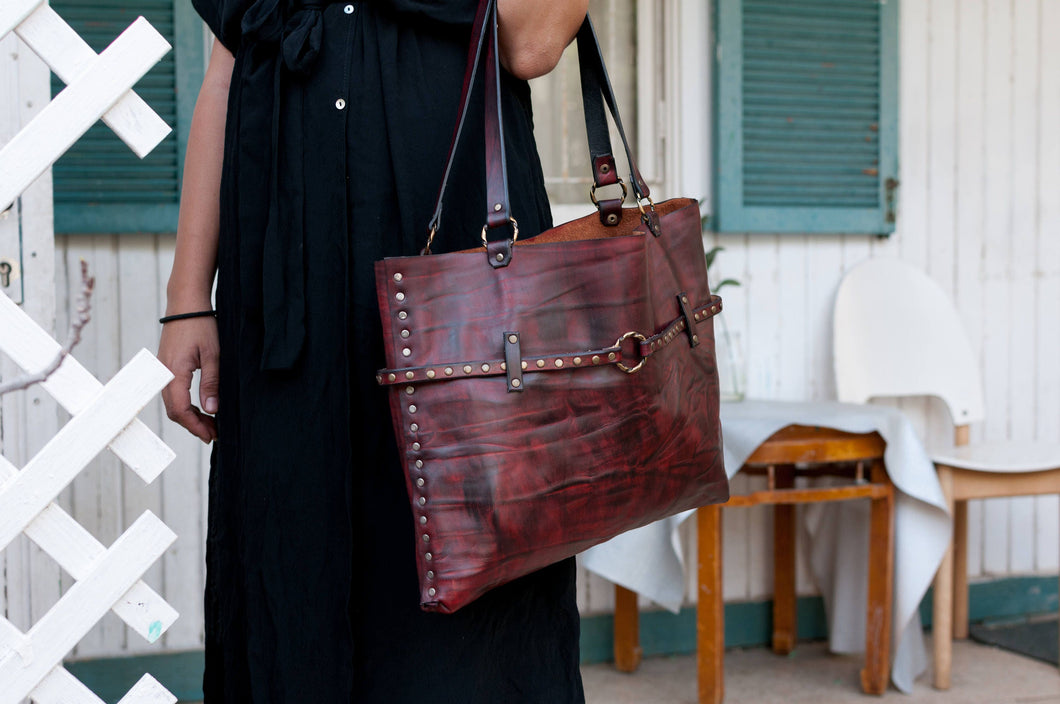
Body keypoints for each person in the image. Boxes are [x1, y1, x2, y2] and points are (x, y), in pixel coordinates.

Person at [157, 0, 589, 701]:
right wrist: (187, 297)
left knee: (470, 587)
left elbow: (533, 42)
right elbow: (228, 69)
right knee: (293, 575)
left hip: (458, 273)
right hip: (285, 286)